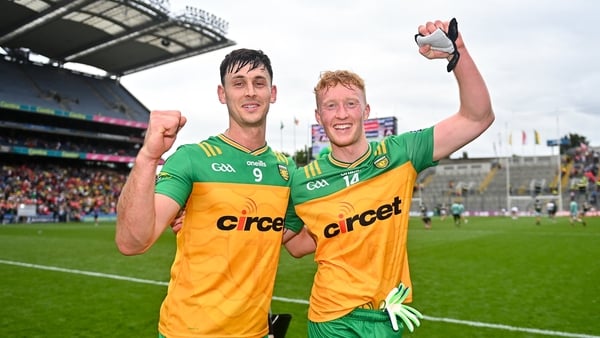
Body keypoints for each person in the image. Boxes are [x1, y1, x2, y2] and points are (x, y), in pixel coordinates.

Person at [285, 18, 494, 337]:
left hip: (388, 316)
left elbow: (477, 117)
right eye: (331, 106)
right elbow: (295, 244)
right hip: (331, 318)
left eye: (350, 104)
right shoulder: (301, 181)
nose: (341, 114)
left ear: (366, 111)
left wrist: (458, 53)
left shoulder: (402, 153)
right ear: (319, 117)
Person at [115, 48, 305, 338]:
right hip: (188, 332)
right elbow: (131, 242)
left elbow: (289, 238)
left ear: (273, 92)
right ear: (222, 93)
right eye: (238, 83)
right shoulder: (192, 158)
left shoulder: (286, 170)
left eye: (259, 82)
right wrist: (148, 157)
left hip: (255, 332)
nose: (250, 91)